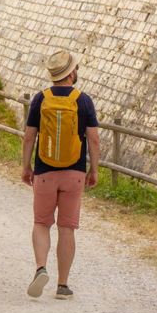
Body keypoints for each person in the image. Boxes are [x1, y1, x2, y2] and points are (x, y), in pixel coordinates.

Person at [21, 50, 100, 299]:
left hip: (45, 172)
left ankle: (40, 268)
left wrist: (26, 166)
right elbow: (94, 139)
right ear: (71, 73)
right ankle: (62, 286)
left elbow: (29, 137)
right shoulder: (84, 100)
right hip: (74, 174)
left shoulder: (39, 99)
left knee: (42, 223)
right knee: (67, 228)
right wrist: (94, 169)